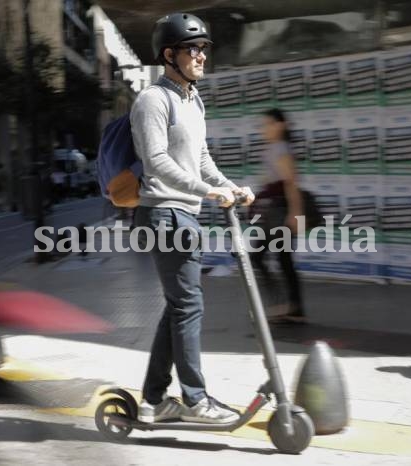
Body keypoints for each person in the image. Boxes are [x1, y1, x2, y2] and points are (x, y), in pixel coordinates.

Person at [130, 12, 254, 425]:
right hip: (163, 214)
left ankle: (152, 401)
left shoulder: (192, 99)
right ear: (169, 54)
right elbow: (157, 160)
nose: (202, 56)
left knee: (178, 306)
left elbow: (200, 159)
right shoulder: (153, 100)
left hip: (185, 214)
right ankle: (195, 400)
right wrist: (206, 191)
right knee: (189, 305)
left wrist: (230, 185)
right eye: (193, 49)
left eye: (203, 49)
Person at [250, 108, 306, 323]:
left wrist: (295, 213)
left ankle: (282, 305)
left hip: (279, 212)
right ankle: (294, 308)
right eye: (263, 125)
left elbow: (291, 183)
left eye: (268, 124)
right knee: (284, 260)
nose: (264, 129)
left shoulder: (280, 148)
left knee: (259, 257)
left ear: (280, 126)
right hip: (274, 210)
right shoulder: (273, 149)